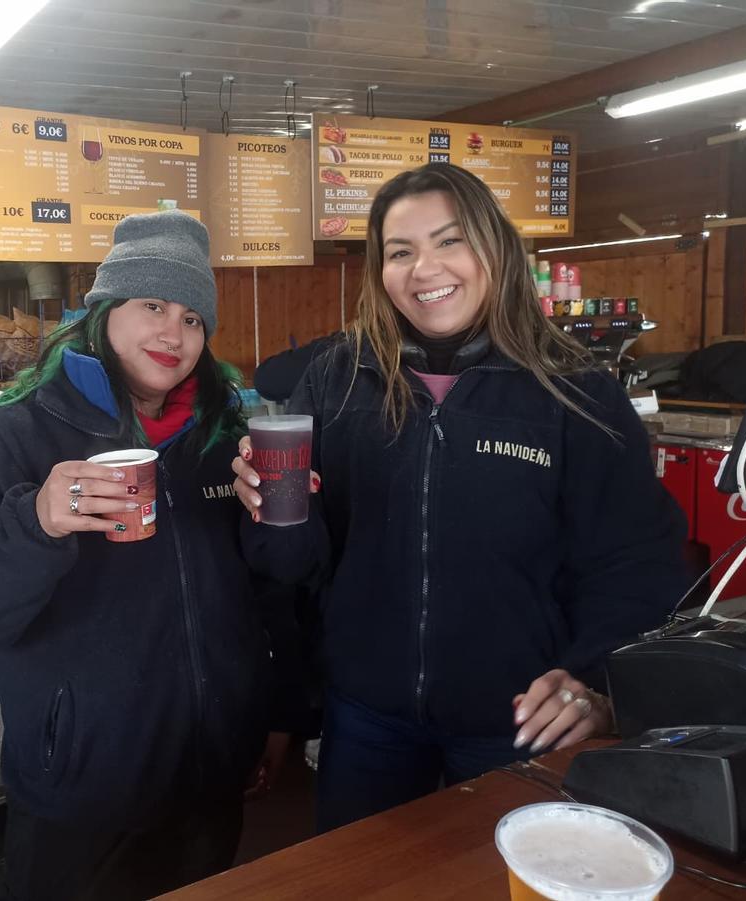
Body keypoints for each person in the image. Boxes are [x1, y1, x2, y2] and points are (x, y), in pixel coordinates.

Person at [232, 163, 690, 833]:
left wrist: (594, 681)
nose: (425, 269)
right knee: (365, 878)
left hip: (520, 717)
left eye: (450, 241)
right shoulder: (339, 379)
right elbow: (292, 564)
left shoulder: (574, 391)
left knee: (496, 877)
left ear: (493, 249)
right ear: (379, 271)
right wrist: (267, 509)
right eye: (400, 251)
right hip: (366, 716)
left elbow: (635, 562)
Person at [0, 210, 284, 901]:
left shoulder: (223, 438)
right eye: (153, 306)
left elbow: (262, 597)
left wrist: (273, 715)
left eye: (193, 318)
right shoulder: (14, 434)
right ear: (105, 311)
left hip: (210, 785)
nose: (173, 334)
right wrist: (36, 521)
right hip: (80, 798)